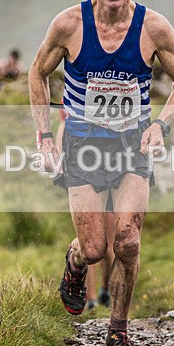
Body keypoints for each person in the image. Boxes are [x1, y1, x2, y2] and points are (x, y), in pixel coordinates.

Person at [29, 0, 174, 346]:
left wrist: (161, 125)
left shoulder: (154, 28)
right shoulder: (69, 25)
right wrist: (44, 135)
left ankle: (117, 333)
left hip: (131, 145)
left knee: (128, 242)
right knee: (95, 249)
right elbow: (37, 73)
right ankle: (74, 264)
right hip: (84, 146)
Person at [55, 109, 115, 311]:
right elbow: (64, 125)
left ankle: (105, 290)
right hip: (86, 169)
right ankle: (91, 299)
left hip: (112, 166)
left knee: (108, 246)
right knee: (92, 243)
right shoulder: (76, 89)